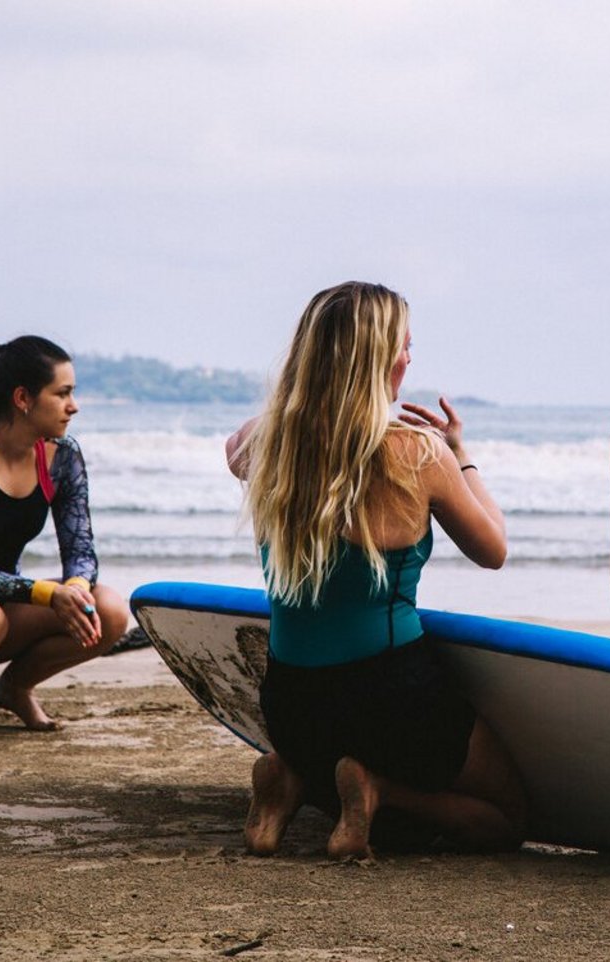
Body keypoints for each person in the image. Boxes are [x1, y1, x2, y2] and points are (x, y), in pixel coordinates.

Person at [227, 281, 526, 859]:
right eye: (404, 345)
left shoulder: (265, 447)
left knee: (337, 762)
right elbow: (494, 550)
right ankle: (379, 788)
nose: (410, 358)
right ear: (380, 357)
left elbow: (241, 439)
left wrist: (303, 395)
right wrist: (459, 452)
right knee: (504, 819)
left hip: (290, 704)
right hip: (392, 698)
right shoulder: (419, 452)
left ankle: (291, 780)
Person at [0, 336, 128, 736]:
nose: (73, 406)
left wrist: (75, 587)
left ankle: (15, 687)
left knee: (106, 610)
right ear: (23, 398)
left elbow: (81, 550)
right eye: (62, 394)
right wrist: (46, 594)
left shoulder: (62, 457)